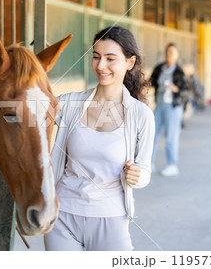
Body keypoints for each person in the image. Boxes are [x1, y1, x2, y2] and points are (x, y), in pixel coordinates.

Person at [44, 26, 155, 251]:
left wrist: (137, 176)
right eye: (96, 57)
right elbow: (27, 112)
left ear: (129, 63)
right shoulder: (69, 104)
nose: (100, 65)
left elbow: (144, 172)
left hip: (110, 218)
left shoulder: (141, 115)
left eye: (110, 58)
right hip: (63, 215)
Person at [150, 43, 188, 177]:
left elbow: (184, 90)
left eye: (172, 52)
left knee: (171, 136)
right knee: (151, 134)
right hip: (160, 103)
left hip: (173, 105)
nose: (169, 54)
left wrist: (173, 88)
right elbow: (151, 81)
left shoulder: (179, 71)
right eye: (167, 52)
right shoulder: (159, 68)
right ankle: (149, 163)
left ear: (177, 55)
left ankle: (172, 165)